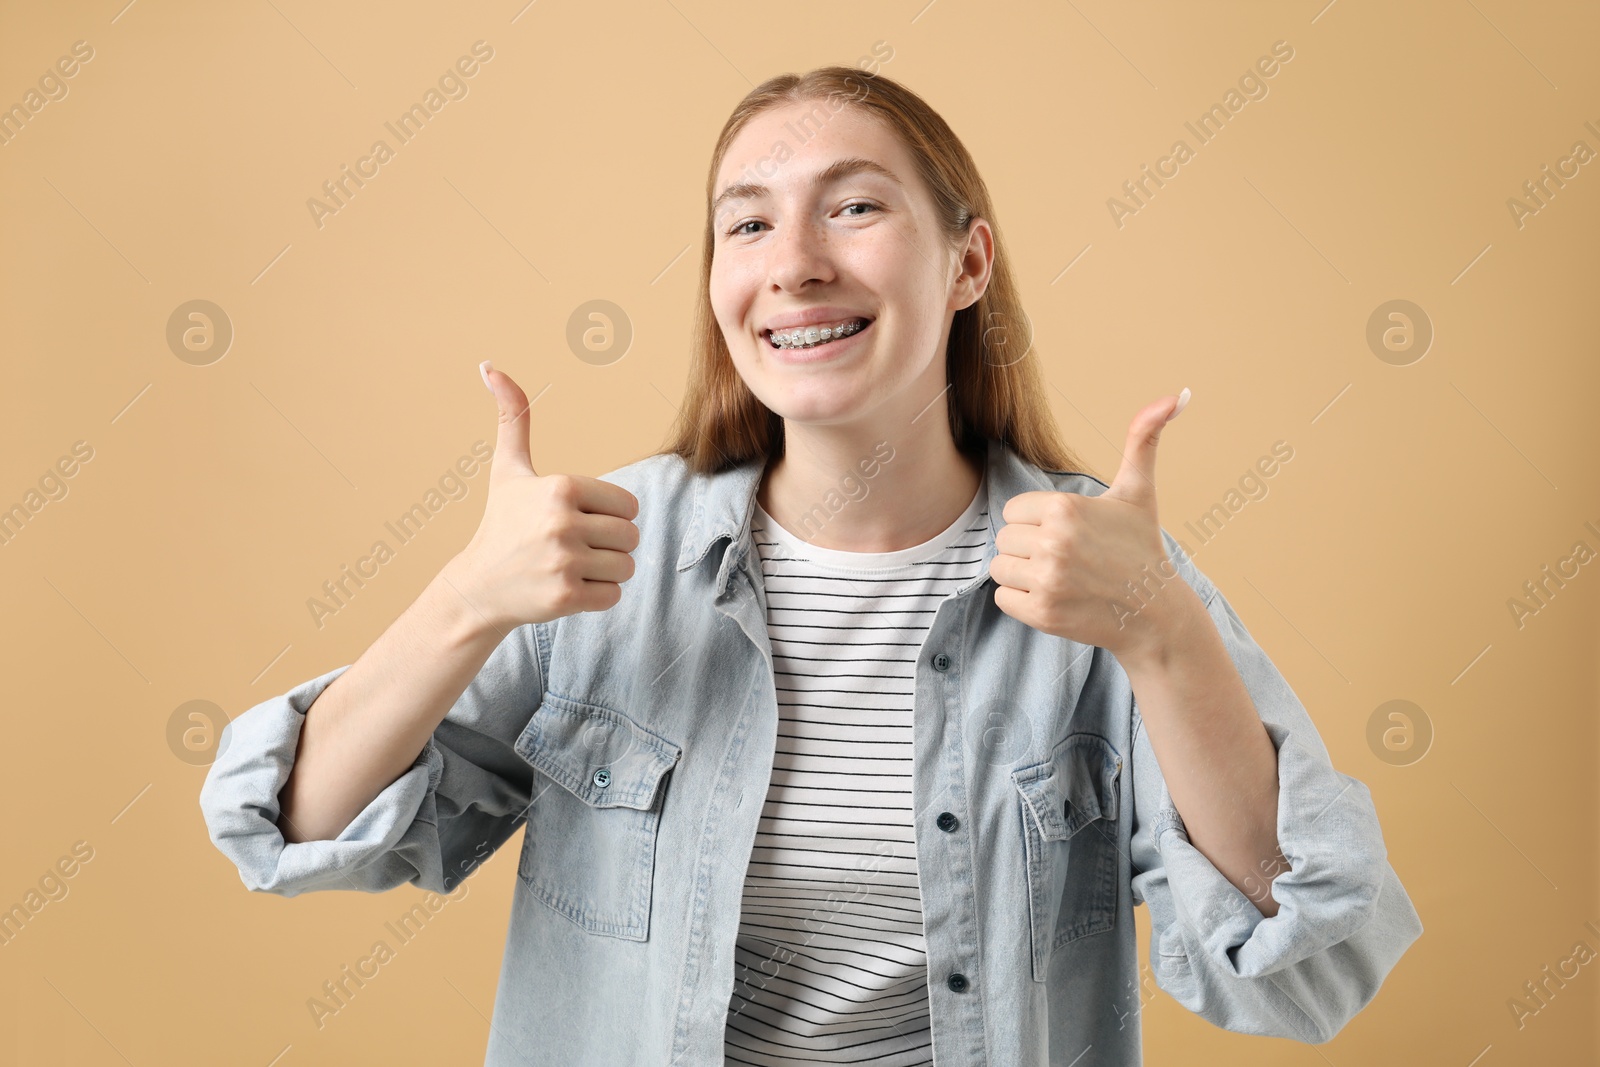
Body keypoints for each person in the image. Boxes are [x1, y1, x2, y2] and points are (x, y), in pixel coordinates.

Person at [200, 66, 1422, 1066]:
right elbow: (298, 829)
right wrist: (463, 599)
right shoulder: (607, 554)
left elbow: (1300, 960)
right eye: (747, 221)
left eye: (854, 206)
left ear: (969, 265)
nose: (793, 261)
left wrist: (1163, 633)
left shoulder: (1109, 573)